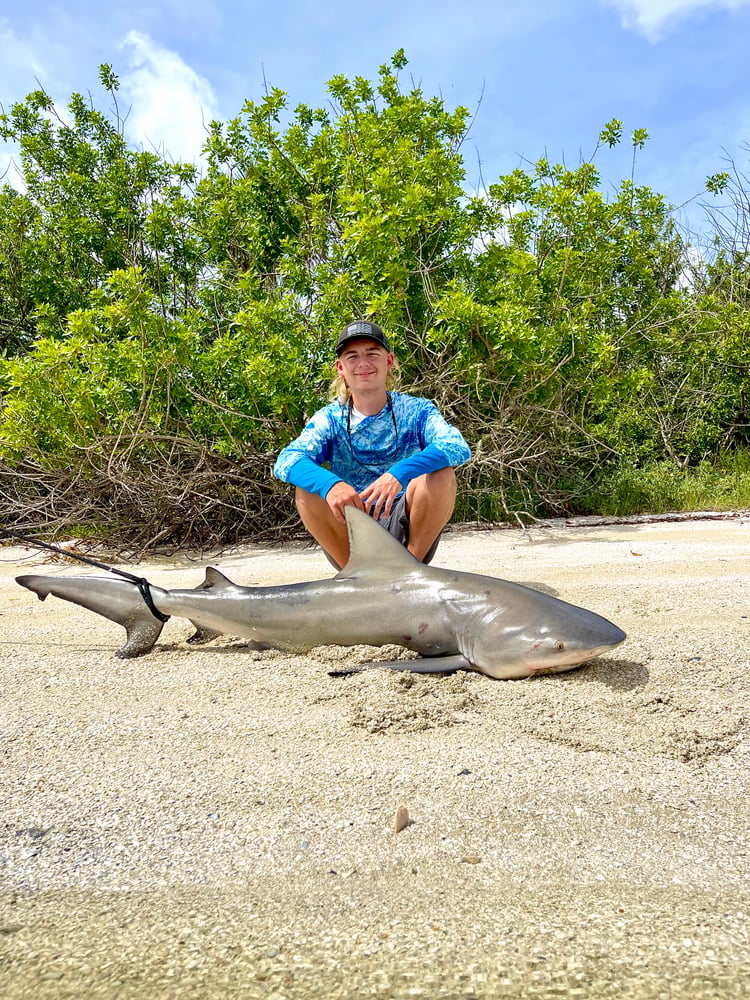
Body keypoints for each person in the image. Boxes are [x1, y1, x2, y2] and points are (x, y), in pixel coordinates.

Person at [273, 320, 471, 569]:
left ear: (388, 362)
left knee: (441, 474)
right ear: (340, 368)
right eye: (352, 356)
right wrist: (329, 484)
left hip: (406, 523)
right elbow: (286, 460)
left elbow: (456, 445)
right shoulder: (330, 418)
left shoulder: (417, 410)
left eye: (372, 354)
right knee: (307, 489)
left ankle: (410, 570)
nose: (363, 364)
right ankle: (356, 577)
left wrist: (399, 473)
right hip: (352, 530)